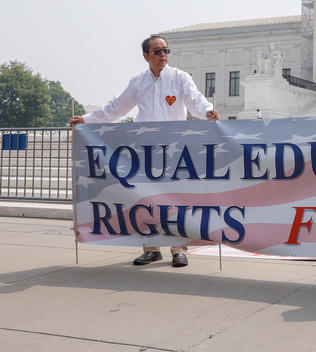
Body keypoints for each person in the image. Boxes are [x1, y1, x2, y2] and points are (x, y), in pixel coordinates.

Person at [70, 35, 220, 268]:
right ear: (146, 56)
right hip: (146, 152)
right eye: (157, 51)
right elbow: (116, 107)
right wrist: (87, 120)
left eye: (166, 51)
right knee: (146, 200)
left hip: (174, 151)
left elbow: (195, 100)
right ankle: (151, 249)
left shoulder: (180, 78)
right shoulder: (138, 82)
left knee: (175, 201)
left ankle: (178, 249)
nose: (163, 55)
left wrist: (208, 111)